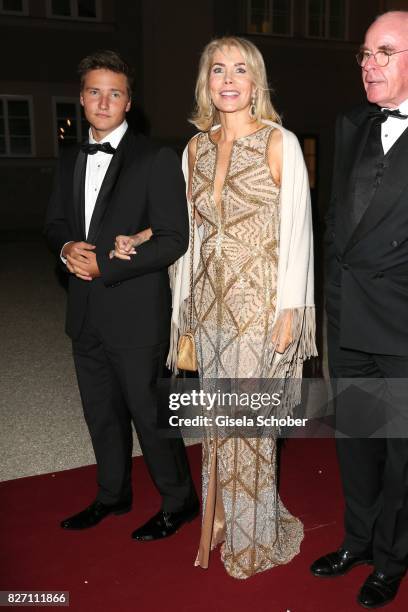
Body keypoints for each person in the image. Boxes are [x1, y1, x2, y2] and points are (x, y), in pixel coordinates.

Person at [116, 37, 316, 578]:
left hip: (259, 306)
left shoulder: (280, 142)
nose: (228, 79)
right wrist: (143, 236)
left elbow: (298, 230)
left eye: (240, 70)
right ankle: (222, 519)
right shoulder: (194, 149)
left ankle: (253, 540)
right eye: (217, 70)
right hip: (207, 306)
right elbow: (184, 223)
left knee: (249, 427)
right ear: (206, 82)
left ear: (257, 83)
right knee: (218, 424)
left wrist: (291, 310)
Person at [44, 50, 198, 539]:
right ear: (82, 98)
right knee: (100, 414)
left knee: (150, 418)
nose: (103, 101)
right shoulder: (70, 156)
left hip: (135, 315)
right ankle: (112, 494)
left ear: (129, 101)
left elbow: (175, 237)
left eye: (114, 93)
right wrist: (67, 246)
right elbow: (54, 224)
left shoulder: (155, 157)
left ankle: (179, 501)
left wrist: (106, 264)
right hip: (84, 313)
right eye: (94, 91)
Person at [311, 11, 408, 609]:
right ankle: (358, 540)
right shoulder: (349, 122)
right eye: (365, 53)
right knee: (355, 440)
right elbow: (333, 221)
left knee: (400, 453)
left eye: (386, 52)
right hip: (349, 317)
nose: (369, 63)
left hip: (402, 325)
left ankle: (392, 558)